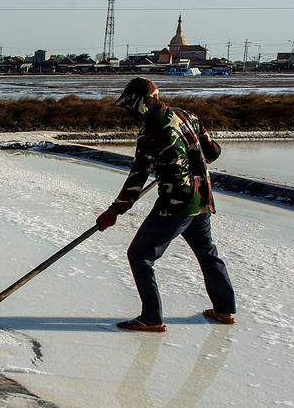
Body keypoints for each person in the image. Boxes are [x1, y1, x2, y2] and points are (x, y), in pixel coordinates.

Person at [95, 77, 236, 332]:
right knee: (207, 253)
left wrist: (114, 211)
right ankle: (224, 310)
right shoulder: (186, 115)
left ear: (145, 103)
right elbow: (213, 152)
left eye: (132, 107)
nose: (131, 113)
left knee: (139, 255)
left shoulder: (151, 132)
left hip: (175, 204)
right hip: (201, 198)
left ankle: (151, 317)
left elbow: (137, 178)